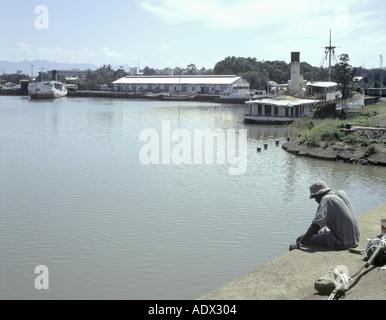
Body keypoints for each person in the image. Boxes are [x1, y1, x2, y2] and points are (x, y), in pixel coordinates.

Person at [294, 181, 360, 250]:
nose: (316, 200)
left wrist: (301, 243)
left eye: (315, 197)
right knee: (322, 230)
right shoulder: (340, 193)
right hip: (355, 239)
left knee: (301, 238)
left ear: (320, 194)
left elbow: (316, 225)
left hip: (342, 242)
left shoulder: (326, 199)